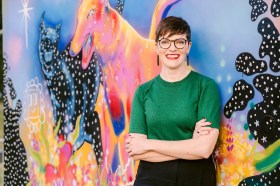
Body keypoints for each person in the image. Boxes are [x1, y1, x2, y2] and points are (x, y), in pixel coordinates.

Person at [125, 16, 221, 186]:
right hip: (150, 178)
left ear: (188, 46)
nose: (172, 48)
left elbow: (204, 149)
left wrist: (148, 144)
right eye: (165, 42)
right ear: (157, 47)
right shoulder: (143, 92)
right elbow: (136, 151)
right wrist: (191, 145)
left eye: (179, 42)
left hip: (195, 177)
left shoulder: (205, 87)